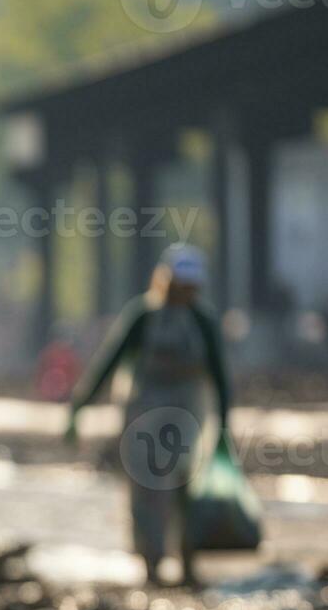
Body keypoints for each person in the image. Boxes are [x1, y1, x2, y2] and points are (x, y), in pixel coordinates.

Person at [66, 244, 231, 586]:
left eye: (191, 287)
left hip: (187, 414)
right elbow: (110, 360)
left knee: (183, 484)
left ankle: (187, 561)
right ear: (166, 281)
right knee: (145, 489)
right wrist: (79, 405)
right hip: (143, 410)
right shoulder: (143, 316)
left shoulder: (204, 321)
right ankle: (152, 564)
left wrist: (225, 426)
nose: (185, 292)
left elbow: (220, 376)